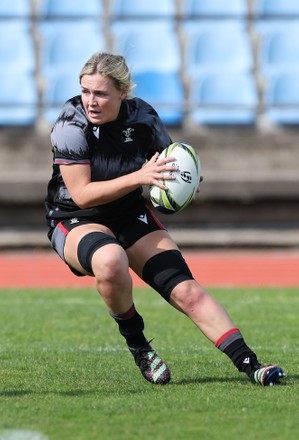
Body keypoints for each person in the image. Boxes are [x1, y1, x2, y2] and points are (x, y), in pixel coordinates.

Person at [45, 52, 285, 386]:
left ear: (122, 93)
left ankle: (252, 365)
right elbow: (82, 194)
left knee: (188, 292)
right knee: (111, 259)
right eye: (85, 91)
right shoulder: (71, 124)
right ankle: (139, 344)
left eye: (100, 94)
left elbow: (169, 162)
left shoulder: (143, 116)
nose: (90, 101)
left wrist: (183, 179)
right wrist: (140, 177)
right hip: (74, 217)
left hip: (129, 213)